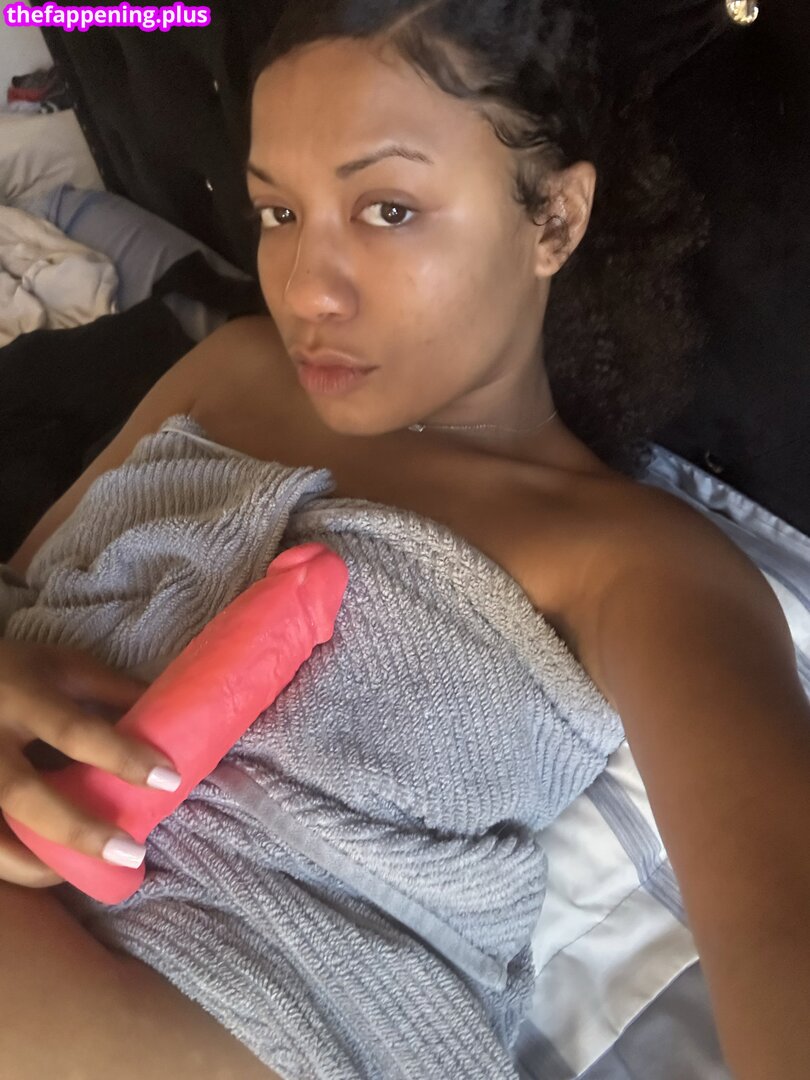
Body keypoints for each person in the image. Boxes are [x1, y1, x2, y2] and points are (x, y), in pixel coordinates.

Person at [0, 2, 808, 1077]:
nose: (305, 288)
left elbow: (786, 934)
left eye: (386, 209)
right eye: (278, 212)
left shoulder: (637, 568)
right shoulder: (228, 368)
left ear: (554, 220)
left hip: (247, 1022)